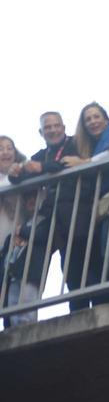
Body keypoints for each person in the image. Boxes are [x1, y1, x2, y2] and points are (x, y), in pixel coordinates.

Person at [8, 112, 79, 312]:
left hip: (75, 215)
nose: (53, 130)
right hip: (50, 217)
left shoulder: (74, 143)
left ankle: (79, 311)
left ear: (64, 128)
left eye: (56, 126)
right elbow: (23, 173)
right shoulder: (42, 154)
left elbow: (66, 162)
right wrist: (16, 172)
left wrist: (42, 167)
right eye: (48, 127)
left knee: (76, 265)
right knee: (65, 270)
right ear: (41, 132)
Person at [61, 103, 109, 307]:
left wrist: (83, 163)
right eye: (88, 119)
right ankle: (107, 299)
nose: (93, 122)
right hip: (99, 203)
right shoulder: (88, 144)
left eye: (96, 117)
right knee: (101, 254)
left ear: (105, 118)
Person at [0, 135, 35, 327]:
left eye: (9, 148)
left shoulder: (25, 176)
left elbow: (37, 202)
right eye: (0, 149)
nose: (5, 152)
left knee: (11, 294)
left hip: (17, 243)